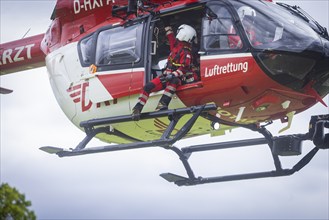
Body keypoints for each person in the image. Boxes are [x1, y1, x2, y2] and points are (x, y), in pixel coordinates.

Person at [131, 23, 197, 121]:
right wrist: (167, 27)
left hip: (176, 78)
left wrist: (173, 74)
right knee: (147, 87)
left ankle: (163, 104)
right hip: (165, 76)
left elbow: (184, 69)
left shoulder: (186, 53)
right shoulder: (176, 46)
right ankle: (137, 108)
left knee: (173, 82)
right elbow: (171, 39)